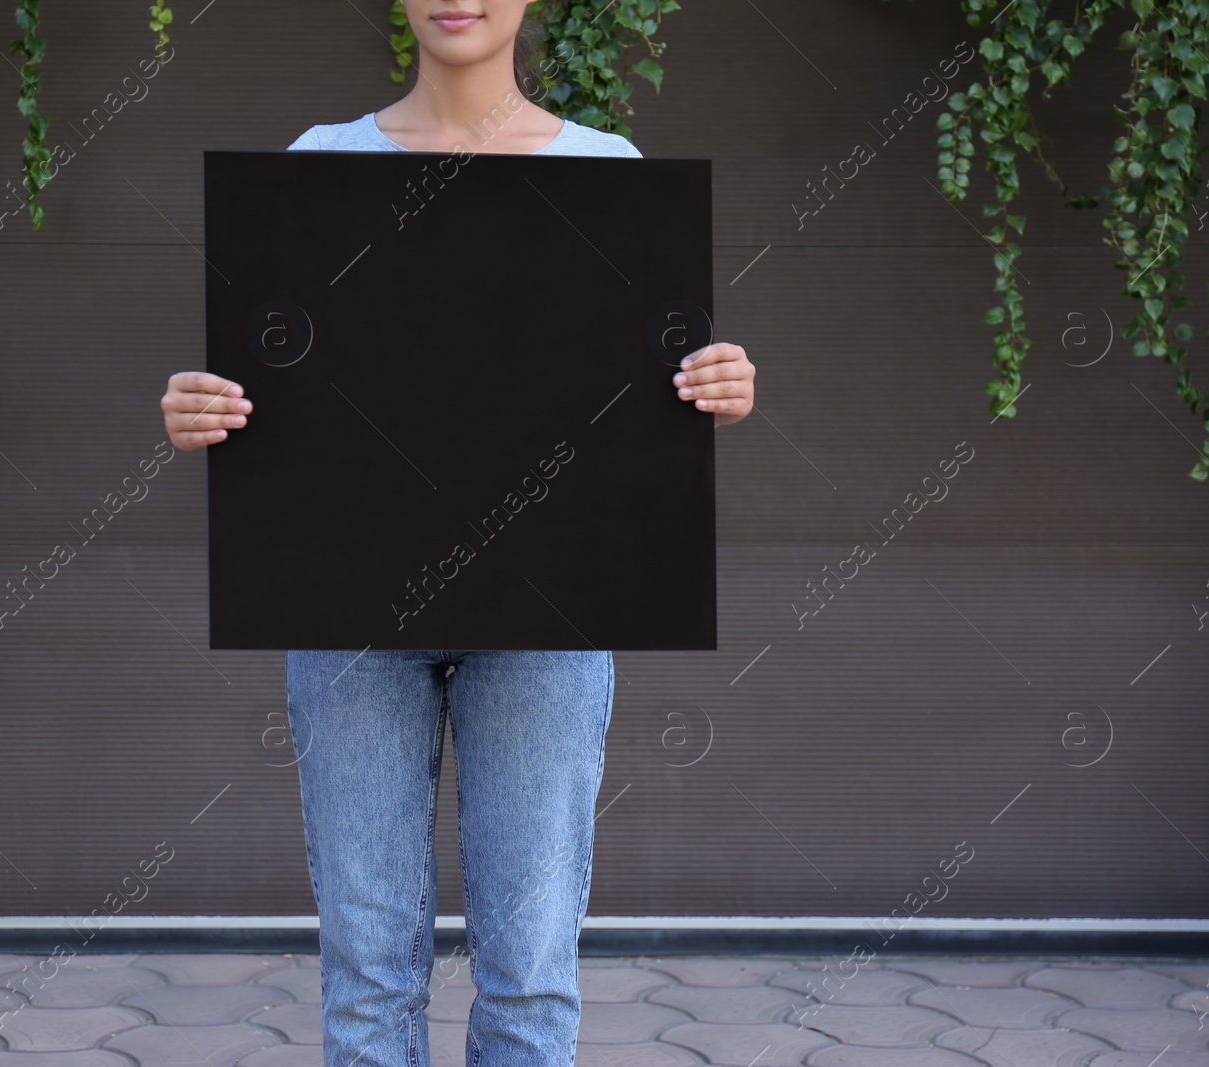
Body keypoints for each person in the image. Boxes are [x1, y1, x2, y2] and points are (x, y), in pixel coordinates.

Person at [160, 3, 755, 1062]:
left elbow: (633, 394)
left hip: (546, 620)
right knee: (367, 982)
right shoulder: (318, 165)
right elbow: (271, 386)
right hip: (350, 619)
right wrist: (199, 407)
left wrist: (713, 384)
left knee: (528, 977)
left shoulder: (603, 169)